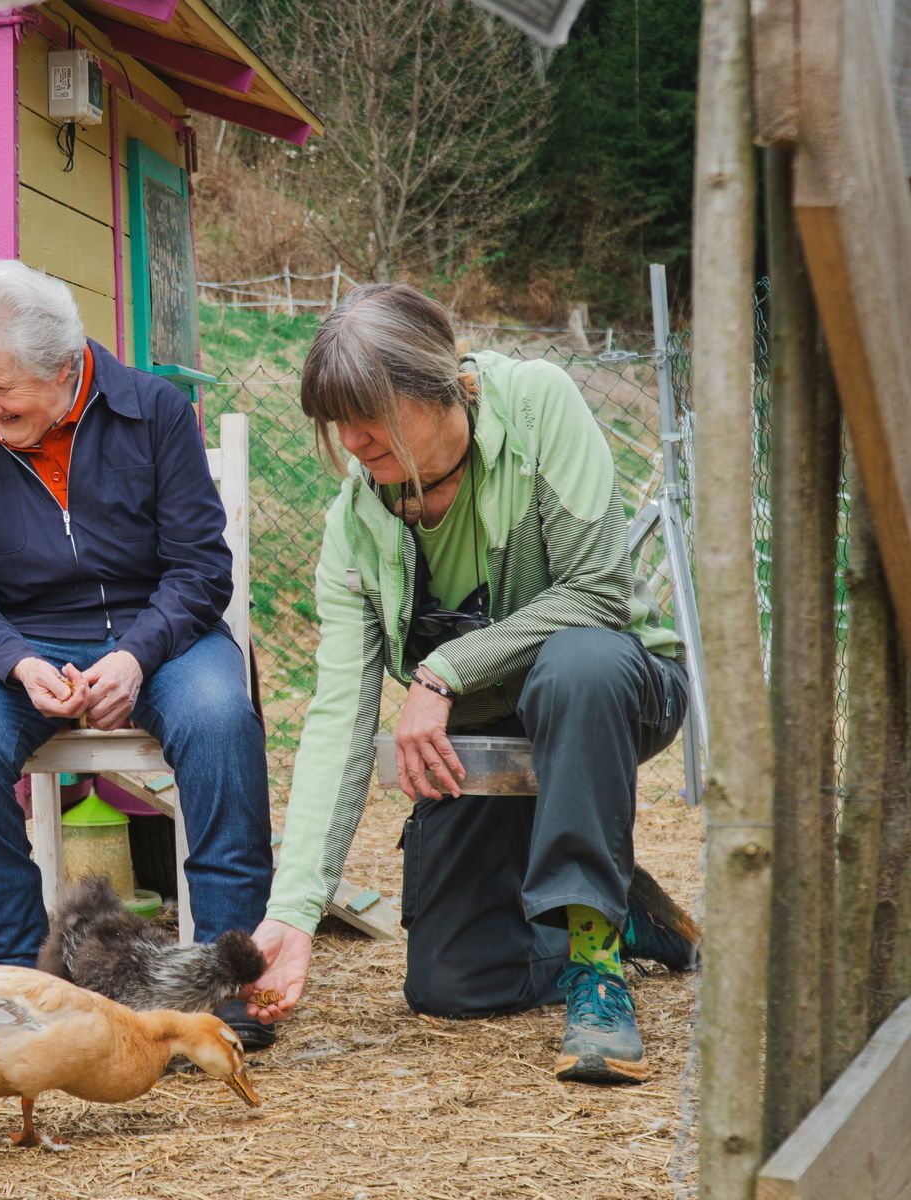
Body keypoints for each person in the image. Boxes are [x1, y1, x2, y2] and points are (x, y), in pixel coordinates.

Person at [243, 283, 698, 1084]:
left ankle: (597, 965)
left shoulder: (537, 407)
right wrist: (295, 913)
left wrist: (446, 669)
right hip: (490, 738)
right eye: (335, 422)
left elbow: (596, 591)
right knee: (449, 985)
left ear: (436, 386)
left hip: (616, 689)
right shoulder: (354, 524)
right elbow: (337, 719)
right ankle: (618, 904)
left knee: (577, 661)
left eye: (367, 416)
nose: (349, 441)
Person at [0, 260, 275, 1048]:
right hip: (19, 643)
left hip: (161, 634)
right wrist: (15, 661)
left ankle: (223, 982)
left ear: (63, 364)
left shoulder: (157, 413)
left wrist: (138, 657)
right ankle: (19, 984)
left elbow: (200, 570)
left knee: (220, 719)